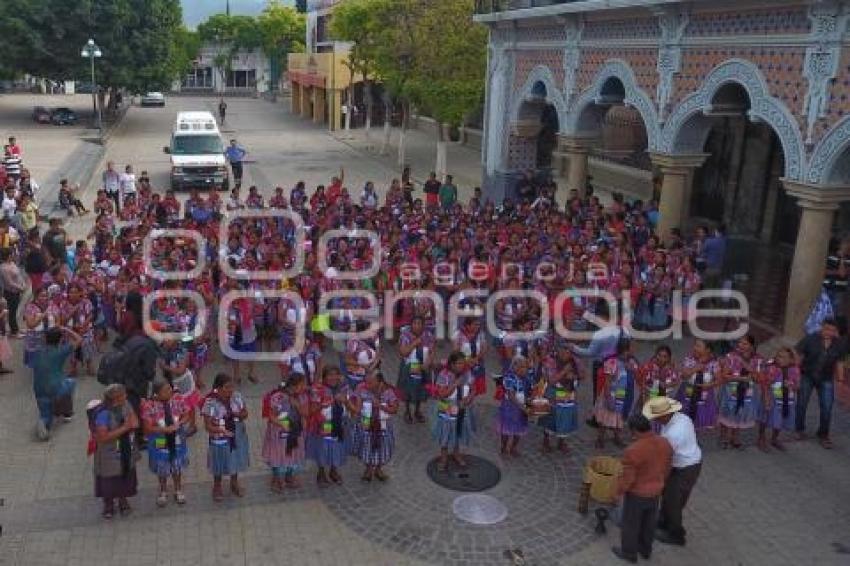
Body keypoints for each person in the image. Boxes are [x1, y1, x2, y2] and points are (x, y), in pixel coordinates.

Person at [612, 414, 672, 563]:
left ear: (634, 431)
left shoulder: (633, 450)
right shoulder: (664, 443)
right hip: (656, 490)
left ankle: (629, 553)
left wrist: (618, 493)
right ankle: (645, 550)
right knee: (649, 522)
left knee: (631, 524)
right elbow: (668, 466)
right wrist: (661, 482)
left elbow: (628, 479)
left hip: (637, 494)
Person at [644, 396, 703, 548]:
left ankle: (676, 534)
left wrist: (660, 479)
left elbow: (666, 462)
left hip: (686, 467)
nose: (655, 421)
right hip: (685, 463)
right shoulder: (680, 418)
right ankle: (663, 521)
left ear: (665, 415)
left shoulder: (674, 433)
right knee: (669, 496)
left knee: (674, 502)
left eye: (656, 418)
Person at [795, 318, 847, 449]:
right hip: (807, 375)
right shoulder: (810, 339)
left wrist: (840, 380)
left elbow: (839, 362)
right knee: (802, 403)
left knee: (827, 407)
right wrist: (795, 375)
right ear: (822, 327)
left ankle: (823, 434)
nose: (828, 332)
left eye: (832, 330)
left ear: (836, 332)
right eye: (826, 329)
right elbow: (798, 356)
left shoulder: (839, 344)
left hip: (826, 378)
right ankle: (799, 429)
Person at [90, 383, 140, 519]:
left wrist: (129, 426)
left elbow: (135, 422)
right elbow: (103, 437)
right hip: (108, 453)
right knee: (110, 479)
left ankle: (123, 500)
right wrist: (124, 428)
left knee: (124, 473)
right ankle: (108, 504)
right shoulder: (103, 414)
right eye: (123, 395)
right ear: (116, 398)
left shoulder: (126, 404)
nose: (126, 396)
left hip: (125, 448)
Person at [141, 377, 190, 507]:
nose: (170, 391)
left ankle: (178, 490)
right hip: (160, 440)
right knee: (162, 465)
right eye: (166, 390)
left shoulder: (178, 399)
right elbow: (147, 428)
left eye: (170, 388)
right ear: (157, 393)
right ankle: (163, 491)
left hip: (177, 438)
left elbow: (187, 414)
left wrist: (179, 423)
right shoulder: (149, 405)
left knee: (177, 465)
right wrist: (164, 429)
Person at [202, 372, 250, 501]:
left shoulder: (237, 397)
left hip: (237, 434)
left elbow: (245, 413)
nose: (230, 390)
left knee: (235, 457)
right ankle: (217, 486)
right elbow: (207, 426)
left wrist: (238, 415)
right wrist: (221, 431)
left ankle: (234, 483)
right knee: (219, 460)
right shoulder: (210, 402)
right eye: (227, 387)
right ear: (218, 387)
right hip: (219, 438)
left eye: (232, 386)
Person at [31, 326, 82, 440]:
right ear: (60, 340)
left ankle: (43, 422)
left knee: (45, 414)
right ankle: (67, 412)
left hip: (38, 388)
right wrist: (67, 330)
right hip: (55, 386)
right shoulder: (61, 351)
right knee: (71, 382)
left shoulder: (38, 350)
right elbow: (79, 340)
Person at [262, 373, 309, 492]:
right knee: (279, 455)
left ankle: (289, 476)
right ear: (294, 385)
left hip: (295, 431)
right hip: (279, 433)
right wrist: (281, 424)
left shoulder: (302, 397)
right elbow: (271, 416)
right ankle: (276, 478)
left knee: (293, 454)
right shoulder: (278, 397)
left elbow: (305, 413)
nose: (304, 387)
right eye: (302, 384)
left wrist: (297, 405)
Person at [308, 366, 353, 486]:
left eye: (335, 374)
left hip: (340, 422)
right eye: (330, 375)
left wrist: (346, 401)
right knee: (323, 447)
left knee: (337, 446)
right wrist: (326, 402)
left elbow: (352, 408)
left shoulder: (344, 387)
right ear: (324, 377)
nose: (333, 377)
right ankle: (321, 473)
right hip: (324, 423)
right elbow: (311, 410)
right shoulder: (317, 389)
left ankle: (334, 470)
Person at [432, 351, 477, 472]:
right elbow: (442, 394)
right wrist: (455, 384)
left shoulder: (467, 373)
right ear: (452, 364)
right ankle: (443, 458)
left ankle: (456, 453)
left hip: (463, 407)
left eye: (463, 363)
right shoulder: (444, 375)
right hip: (447, 407)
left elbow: (474, 389)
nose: (461, 366)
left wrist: (468, 399)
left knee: (459, 430)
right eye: (458, 363)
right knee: (445, 433)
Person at [352, 369, 399, 481]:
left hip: (382, 426)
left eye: (370, 382)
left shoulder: (388, 392)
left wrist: (381, 406)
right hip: (366, 424)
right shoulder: (361, 389)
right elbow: (357, 409)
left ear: (379, 381)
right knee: (366, 446)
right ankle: (368, 469)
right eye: (366, 382)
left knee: (382, 447)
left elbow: (394, 409)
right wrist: (348, 403)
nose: (367, 385)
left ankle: (378, 469)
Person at [758, 347, 800, 452]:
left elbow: (797, 386)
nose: (778, 359)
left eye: (782, 357)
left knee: (780, 420)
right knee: (765, 418)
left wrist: (792, 385)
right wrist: (766, 399)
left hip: (786, 401)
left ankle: (774, 438)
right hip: (772, 399)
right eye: (778, 356)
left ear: (790, 359)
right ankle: (761, 438)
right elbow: (765, 385)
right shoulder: (772, 368)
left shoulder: (794, 370)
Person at [397, 316, 436, 423]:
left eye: (420, 323)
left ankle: (417, 411)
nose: (417, 326)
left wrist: (427, 364)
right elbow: (403, 352)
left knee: (421, 389)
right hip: (409, 366)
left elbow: (432, 351)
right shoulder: (405, 336)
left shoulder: (428, 335)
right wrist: (414, 343)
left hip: (423, 366)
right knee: (408, 390)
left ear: (423, 325)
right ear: (411, 324)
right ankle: (407, 411)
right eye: (415, 323)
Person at [497, 356, 533, 457]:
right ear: (515, 367)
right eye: (521, 367)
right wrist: (523, 407)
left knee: (519, 430)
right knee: (506, 430)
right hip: (510, 408)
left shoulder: (527, 378)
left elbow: (530, 391)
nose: (524, 369)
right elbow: (511, 396)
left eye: (525, 367)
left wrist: (531, 401)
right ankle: (503, 448)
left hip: (522, 407)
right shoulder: (509, 378)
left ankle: (513, 448)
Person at [0, 247, 26, 337]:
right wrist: (20, 288)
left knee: (15, 310)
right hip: (11, 293)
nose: (13, 255)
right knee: (12, 312)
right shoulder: (3, 268)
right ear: (8, 256)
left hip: (17, 291)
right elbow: (9, 282)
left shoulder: (12, 263)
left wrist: (23, 283)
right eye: (12, 254)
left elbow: (19, 275)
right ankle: (14, 331)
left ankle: (16, 328)